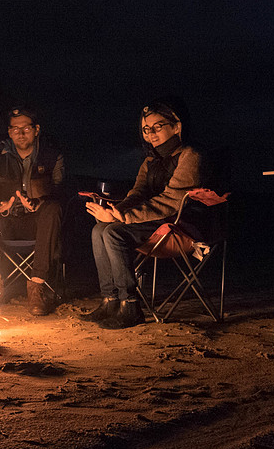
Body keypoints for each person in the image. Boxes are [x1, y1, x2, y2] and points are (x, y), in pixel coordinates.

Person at [81, 98, 201, 329]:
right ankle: (110, 300)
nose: (151, 134)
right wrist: (116, 210)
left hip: (181, 225)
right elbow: (137, 193)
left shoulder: (190, 156)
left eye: (158, 127)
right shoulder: (150, 161)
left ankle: (131, 306)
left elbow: (171, 201)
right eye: (146, 129)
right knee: (99, 229)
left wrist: (122, 218)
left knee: (114, 233)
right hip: (154, 222)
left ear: (177, 126)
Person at [0, 107, 65, 315]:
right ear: (9, 132)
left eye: (26, 128)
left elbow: (61, 190)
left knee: (53, 209)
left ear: (36, 130)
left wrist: (39, 202)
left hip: (37, 223)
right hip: (9, 221)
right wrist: (2, 204)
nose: (21, 133)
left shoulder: (52, 156)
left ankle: (36, 286)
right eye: (15, 129)